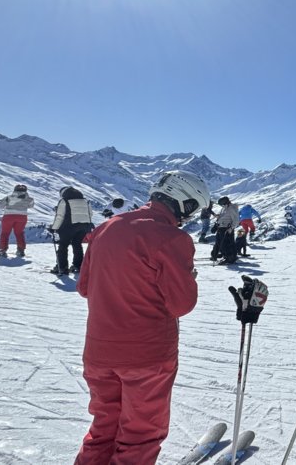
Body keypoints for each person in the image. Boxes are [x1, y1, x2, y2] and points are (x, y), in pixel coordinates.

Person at [74, 170, 210, 464]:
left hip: (98, 351)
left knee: (103, 429)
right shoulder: (172, 238)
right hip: (147, 356)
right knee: (140, 435)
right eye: (192, 209)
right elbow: (181, 304)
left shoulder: (106, 227)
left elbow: (84, 287)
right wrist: (186, 278)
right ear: (185, 203)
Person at [50, 186, 94, 275]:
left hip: (69, 226)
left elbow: (60, 216)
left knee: (63, 246)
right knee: (77, 244)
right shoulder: (85, 201)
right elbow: (90, 214)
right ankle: (78, 266)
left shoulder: (64, 201)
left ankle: (62, 267)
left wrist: (54, 228)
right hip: (84, 226)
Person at [0, 184, 34, 258]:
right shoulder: (30, 199)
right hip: (22, 217)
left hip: (8, 217)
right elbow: (31, 206)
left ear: (15, 190)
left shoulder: (9, 197)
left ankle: (2, 250)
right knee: (19, 233)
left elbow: (0, 206)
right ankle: (21, 250)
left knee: (5, 233)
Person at [210, 196, 239, 265]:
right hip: (221, 227)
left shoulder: (231, 208)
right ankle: (216, 255)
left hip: (227, 228)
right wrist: (216, 225)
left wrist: (231, 228)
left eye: (222, 204)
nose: (221, 205)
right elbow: (222, 217)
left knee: (226, 244)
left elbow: (236, 220)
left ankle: (229, 258)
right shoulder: (224, 208)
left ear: (225, 202)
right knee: (218, 242)